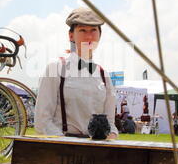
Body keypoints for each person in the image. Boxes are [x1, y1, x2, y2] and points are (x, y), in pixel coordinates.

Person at [34, 7, 119, 139]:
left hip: (96, 151)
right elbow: (42, 121)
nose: (89, 36)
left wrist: (110, 137)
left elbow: (111, 124)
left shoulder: (104, 75)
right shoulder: (55, 68)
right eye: (82, 30)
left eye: (93, 30)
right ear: (71, 35)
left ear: (100, 35)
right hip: (62, 149)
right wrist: (69, 144)